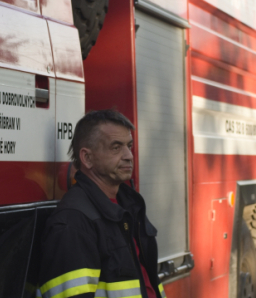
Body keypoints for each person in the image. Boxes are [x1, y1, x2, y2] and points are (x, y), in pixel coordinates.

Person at [38, 110, 165, 298]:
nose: (129, 155)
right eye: (116, 147)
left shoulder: (129, 207)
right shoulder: (73, 223)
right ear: (87, 158)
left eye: (129, 146)